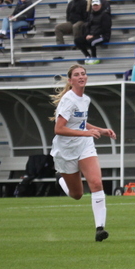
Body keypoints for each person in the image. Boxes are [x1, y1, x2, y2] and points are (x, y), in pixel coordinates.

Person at [49, 65, 117, 241]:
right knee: (77, 194)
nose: (81, 76)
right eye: (77, 75)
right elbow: (59, 128)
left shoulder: (85, 99)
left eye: (83, 74)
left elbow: (81, 123)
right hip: (65, 150)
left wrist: (100, 130)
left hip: (85, 146)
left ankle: (99, 228)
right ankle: (61, 181)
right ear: (71, 80)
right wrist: (86, 133)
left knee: (96, 183)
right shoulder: (68, 100)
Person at [74, 0, 111, 65]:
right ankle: (87, 56)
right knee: (77, 40)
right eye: (94, 5)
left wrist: (93, 35)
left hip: (103, 35)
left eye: (97, 5)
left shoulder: (105, 15)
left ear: (100, 5)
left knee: (92, 42)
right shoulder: (91, 15)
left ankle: (94, 58)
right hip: (92, 35)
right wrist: (87, 34)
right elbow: (88, 26)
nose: (95, 7)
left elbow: (105, 28)